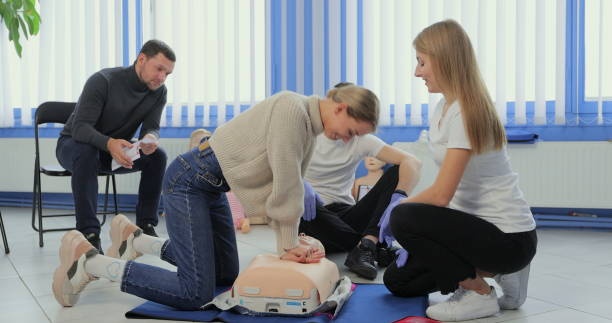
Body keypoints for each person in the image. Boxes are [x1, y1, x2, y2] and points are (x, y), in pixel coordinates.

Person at [52, 85, 381, 309]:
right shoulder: (292, 110)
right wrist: (287, 247)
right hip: (189, 180)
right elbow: (285, 185)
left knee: (225, 278)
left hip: (212, 185)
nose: (346, 139)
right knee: (194, 291)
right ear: (340, 107)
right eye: (351, 131)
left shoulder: (310, 126)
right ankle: (90, 262)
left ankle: (137, 243)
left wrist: (291, 242)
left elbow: (291, 182)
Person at [380, 20, 537, 322]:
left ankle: (479, 292)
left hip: (508, 237)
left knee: (403, 216)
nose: (417, 72)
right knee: (398, 282)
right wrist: (419, 243)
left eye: (422, 62)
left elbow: (441, 196)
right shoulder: (443, 108)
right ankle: (497, 271)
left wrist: (399, 212)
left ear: (445, 59)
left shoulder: (466, 111)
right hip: (473, 230)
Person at [56, 40, 175, 250]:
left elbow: (152, 127)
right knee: (87, 152)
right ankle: (90, 234)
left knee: (158, 156)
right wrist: (109, 143)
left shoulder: (159, 92)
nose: (162, 77)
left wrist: (149, 139)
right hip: (74, 146)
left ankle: (146, 226)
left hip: (113, 150)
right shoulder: (103, 81)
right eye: (159, 69)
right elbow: (80, 128)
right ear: (141, 59)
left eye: (167, 74)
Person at [299, 84, 422, 280]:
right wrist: (297, 183)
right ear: (340, 111)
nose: (350, 140)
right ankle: (371, 246)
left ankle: (367, 244)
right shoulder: (304, 130)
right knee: (302, 198)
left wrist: (399, 198)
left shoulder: (362, 140)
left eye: (356, 135)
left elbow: (412, 162)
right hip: (312, 216)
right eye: (351, 131)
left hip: (346, 215)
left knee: (398, 170)